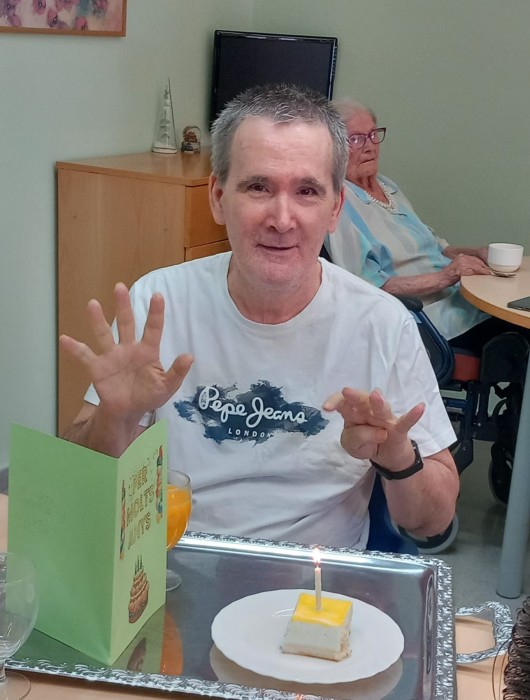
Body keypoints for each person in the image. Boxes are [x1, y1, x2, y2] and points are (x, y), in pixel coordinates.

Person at [60, 84, 459, 549]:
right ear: (217, 196)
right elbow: (76, 489)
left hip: (314, 580)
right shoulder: (159, 303)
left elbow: (432, 522)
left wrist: (397, 458)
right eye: (258, 187)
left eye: (307, 191)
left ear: (335, 208)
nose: (282, 219)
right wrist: (114, 418)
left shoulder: (383, 325)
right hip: (172, 563)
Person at [325, 99, 521, 353]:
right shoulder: (338, 203)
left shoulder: (387, 186)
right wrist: (445, 276)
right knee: (517, 324)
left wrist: (476, 253)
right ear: (333, 148)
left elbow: (436, 246)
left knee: (516, 304)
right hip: (424, 320)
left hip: (456, 298)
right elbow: (367, 286)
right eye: (356, 139)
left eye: (373, 135)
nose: (370, 146)